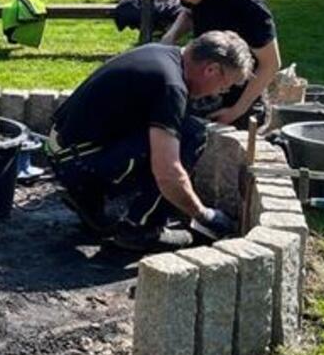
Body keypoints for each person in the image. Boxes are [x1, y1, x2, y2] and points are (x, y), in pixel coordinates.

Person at [47, 31, 254, 251]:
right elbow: (168, 173)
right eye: (224, 86)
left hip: (64, 151)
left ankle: (90, 200)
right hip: (77, 162)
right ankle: (142, 229)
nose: (218, 94)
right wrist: (204, 214)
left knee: (176, 132)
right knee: (191, 135)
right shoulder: (171, 86)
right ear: (211, 70)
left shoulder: (162, 56)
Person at [153, 0, 281, 128]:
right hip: (203, 91)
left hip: (237, 105)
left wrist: (235, 111)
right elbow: (189, 12)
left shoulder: (248, 5)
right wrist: (170, 36)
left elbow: (271, 64)